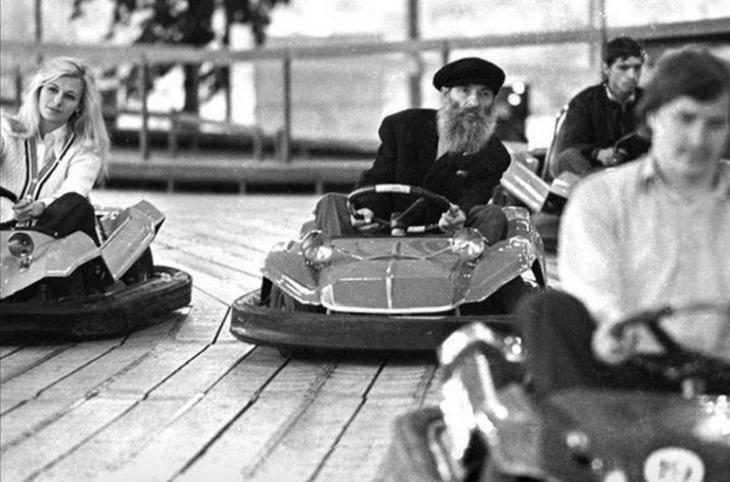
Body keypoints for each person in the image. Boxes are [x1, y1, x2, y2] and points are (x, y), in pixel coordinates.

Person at [517, 49, 730, 397]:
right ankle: (590, 440)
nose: (698, 140)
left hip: (723, 375)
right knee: (545, 310)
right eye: (686, 119)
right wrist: (613, 326)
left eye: (715, 124)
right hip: (628, 373)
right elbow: (594, 292)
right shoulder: (600, 197)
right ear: (652, 117)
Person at [304, 57, 511, 244]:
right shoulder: (403, 126)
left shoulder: (494, 154)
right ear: (446, 94)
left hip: (446, 243)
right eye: (464, 91)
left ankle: (468, 281)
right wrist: (367, 211)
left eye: (484, 94)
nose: (474, 102)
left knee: (493, 216)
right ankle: (339, 268)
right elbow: (378, 177)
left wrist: (459, 216)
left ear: (492, 102)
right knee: (331, 203)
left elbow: (475, 198)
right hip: (384, 231)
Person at [0, 56, 110, 243]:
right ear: (38, 91)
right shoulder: (6, 129)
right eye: (52, 90)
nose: (58, 101)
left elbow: (74, 191)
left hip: (49, 238)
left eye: (70, 96)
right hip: (3, 232)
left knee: (76, 204)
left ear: (79, 106)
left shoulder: (86, 148)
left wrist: (41, 206)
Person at [552, 36, 651, 177]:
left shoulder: (650, 101)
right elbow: (571, 145)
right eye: (623, 67)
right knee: (568, 157)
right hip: (595, 170)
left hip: (636, 172)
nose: (631, 75)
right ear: (606, 68)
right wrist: (597, 153)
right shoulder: (584, 102)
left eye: (637, 68)